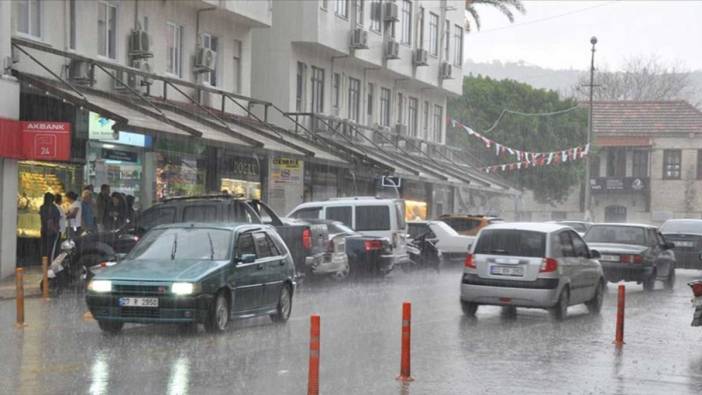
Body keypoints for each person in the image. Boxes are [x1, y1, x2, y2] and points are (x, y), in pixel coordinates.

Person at [39, 193, 61, 262]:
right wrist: (55, 230)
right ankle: (49, 263)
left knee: (44, 248)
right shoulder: (52, 208)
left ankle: (44, 262)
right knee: (51, 248)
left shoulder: (42, 207)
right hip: (51, 231)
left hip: (44, 230)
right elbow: (50, 221)